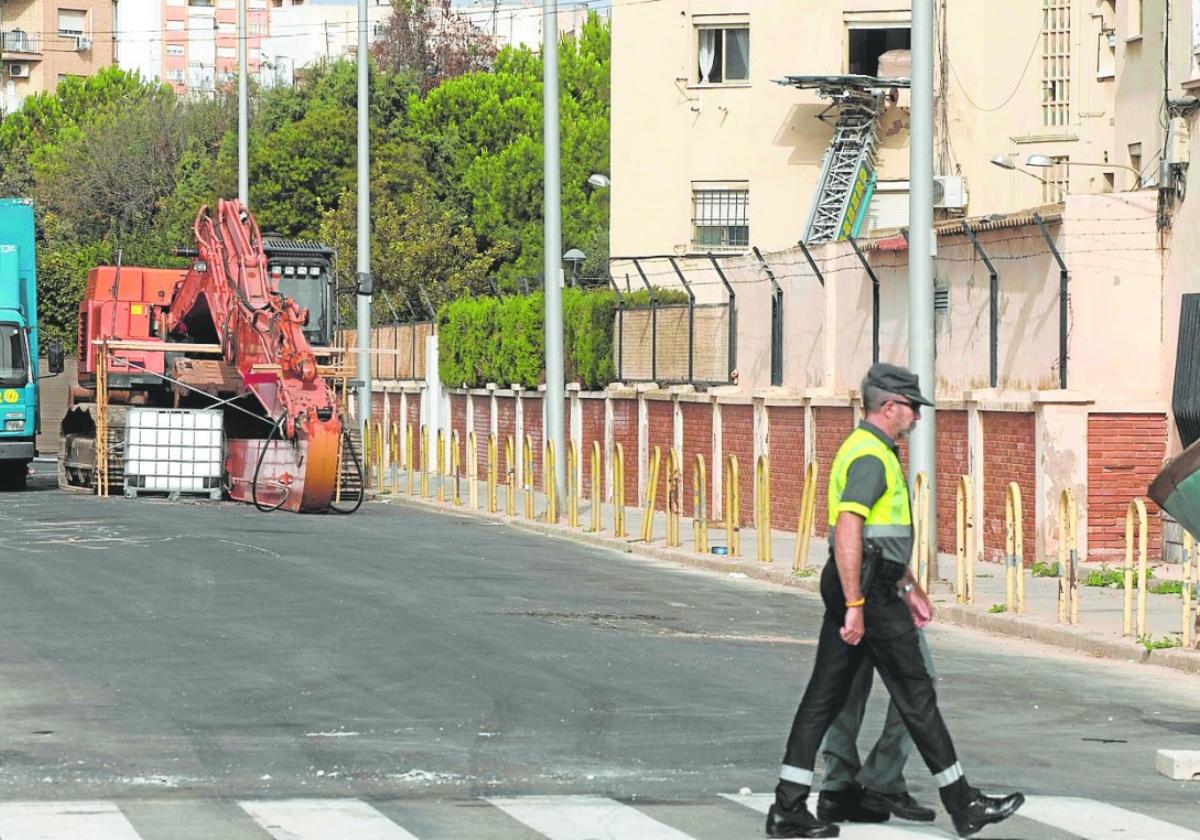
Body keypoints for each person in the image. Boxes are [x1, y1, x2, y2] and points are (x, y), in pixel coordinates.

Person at [765, 363, 1024, 840]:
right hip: (867, 588)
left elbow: (879, 538)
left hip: (874, 583)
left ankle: (790, 807)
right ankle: (962, 802)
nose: (917, 418)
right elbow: (850, 530)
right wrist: (857, 602)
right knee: (915, 689)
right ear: (889, 407)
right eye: (912, 409)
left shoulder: (867, 448)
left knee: (825, 696)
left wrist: (907, 586)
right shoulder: (871, 456)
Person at [815, 630, 938, 825]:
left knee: (848, 680)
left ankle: (838, 789)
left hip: (851, 604)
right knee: (918, 681)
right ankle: (881, 780)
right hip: (884, 605)